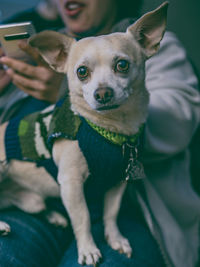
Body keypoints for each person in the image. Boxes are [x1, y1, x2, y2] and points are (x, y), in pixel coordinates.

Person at [0, 1, 200, 267]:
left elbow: (180, 120)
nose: (100, 89)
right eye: (83, 72)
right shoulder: (50, 49)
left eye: (120, 66)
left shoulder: (143, 44)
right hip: (31, 204)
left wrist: (66, 92)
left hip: (134, 212)